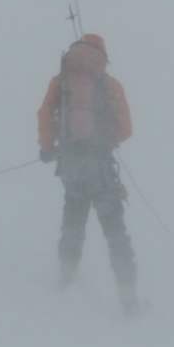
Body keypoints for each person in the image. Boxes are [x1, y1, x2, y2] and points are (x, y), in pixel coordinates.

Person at [36, 33, 139, 314]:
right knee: (115, 233)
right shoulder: (109, 85)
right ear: (101, 57)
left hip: (71, 167)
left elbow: (44, 114)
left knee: (73, 224)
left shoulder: (61, 82)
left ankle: (65, 281)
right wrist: (105, 141)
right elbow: (127, 128)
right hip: (101, 169)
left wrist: (49, 147)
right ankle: (128, 299)